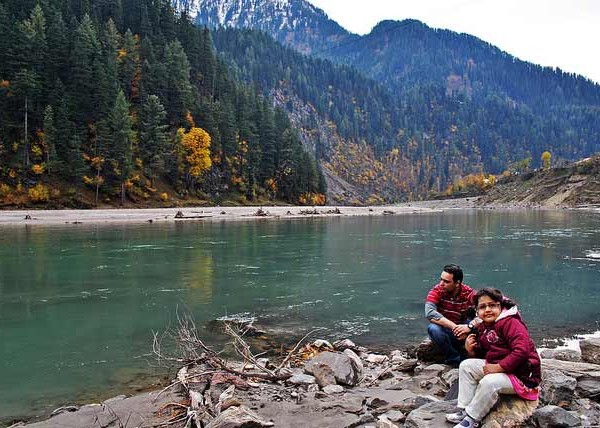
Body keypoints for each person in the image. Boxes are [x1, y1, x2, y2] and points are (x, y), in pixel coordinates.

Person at [445, 287, 541, 428]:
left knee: (489, 382)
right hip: (504, 370)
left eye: (492, 305)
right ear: (477, 311)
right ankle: (465, 408)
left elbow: (522, 351)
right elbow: (487, 352)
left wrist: (498, 367)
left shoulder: (511, 322)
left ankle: (472, 418)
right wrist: (471, 350)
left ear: (500, 306)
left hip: (522, 376)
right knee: (466, 366)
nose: (488, 310)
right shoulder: (484, 326)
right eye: (482, 307)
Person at [425, 264, 477, 366]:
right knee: (433, 328)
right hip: (446, 330)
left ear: (457, 283)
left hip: (463, 328)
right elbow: (430, 313)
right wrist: (455, 328)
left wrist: (469, 327)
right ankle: (454, 359)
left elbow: (485, 310)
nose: (441, 284)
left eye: (446, 281)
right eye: (441, 279)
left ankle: (473, 354)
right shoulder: (437, 290)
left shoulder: (469, 293)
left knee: (479, 322)